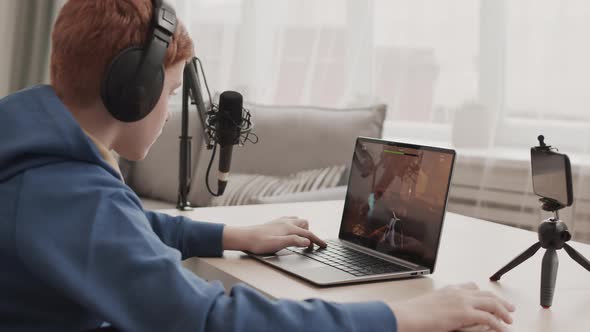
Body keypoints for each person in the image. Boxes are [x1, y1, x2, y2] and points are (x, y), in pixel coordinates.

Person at [0, 1, 515, 331]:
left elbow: (126, 226)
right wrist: (405, 316)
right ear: (136, 90)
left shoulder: (37, 155)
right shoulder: (68, 192)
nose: (169, 110)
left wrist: (232, 235)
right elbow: (206, 320)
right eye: (173, 92)